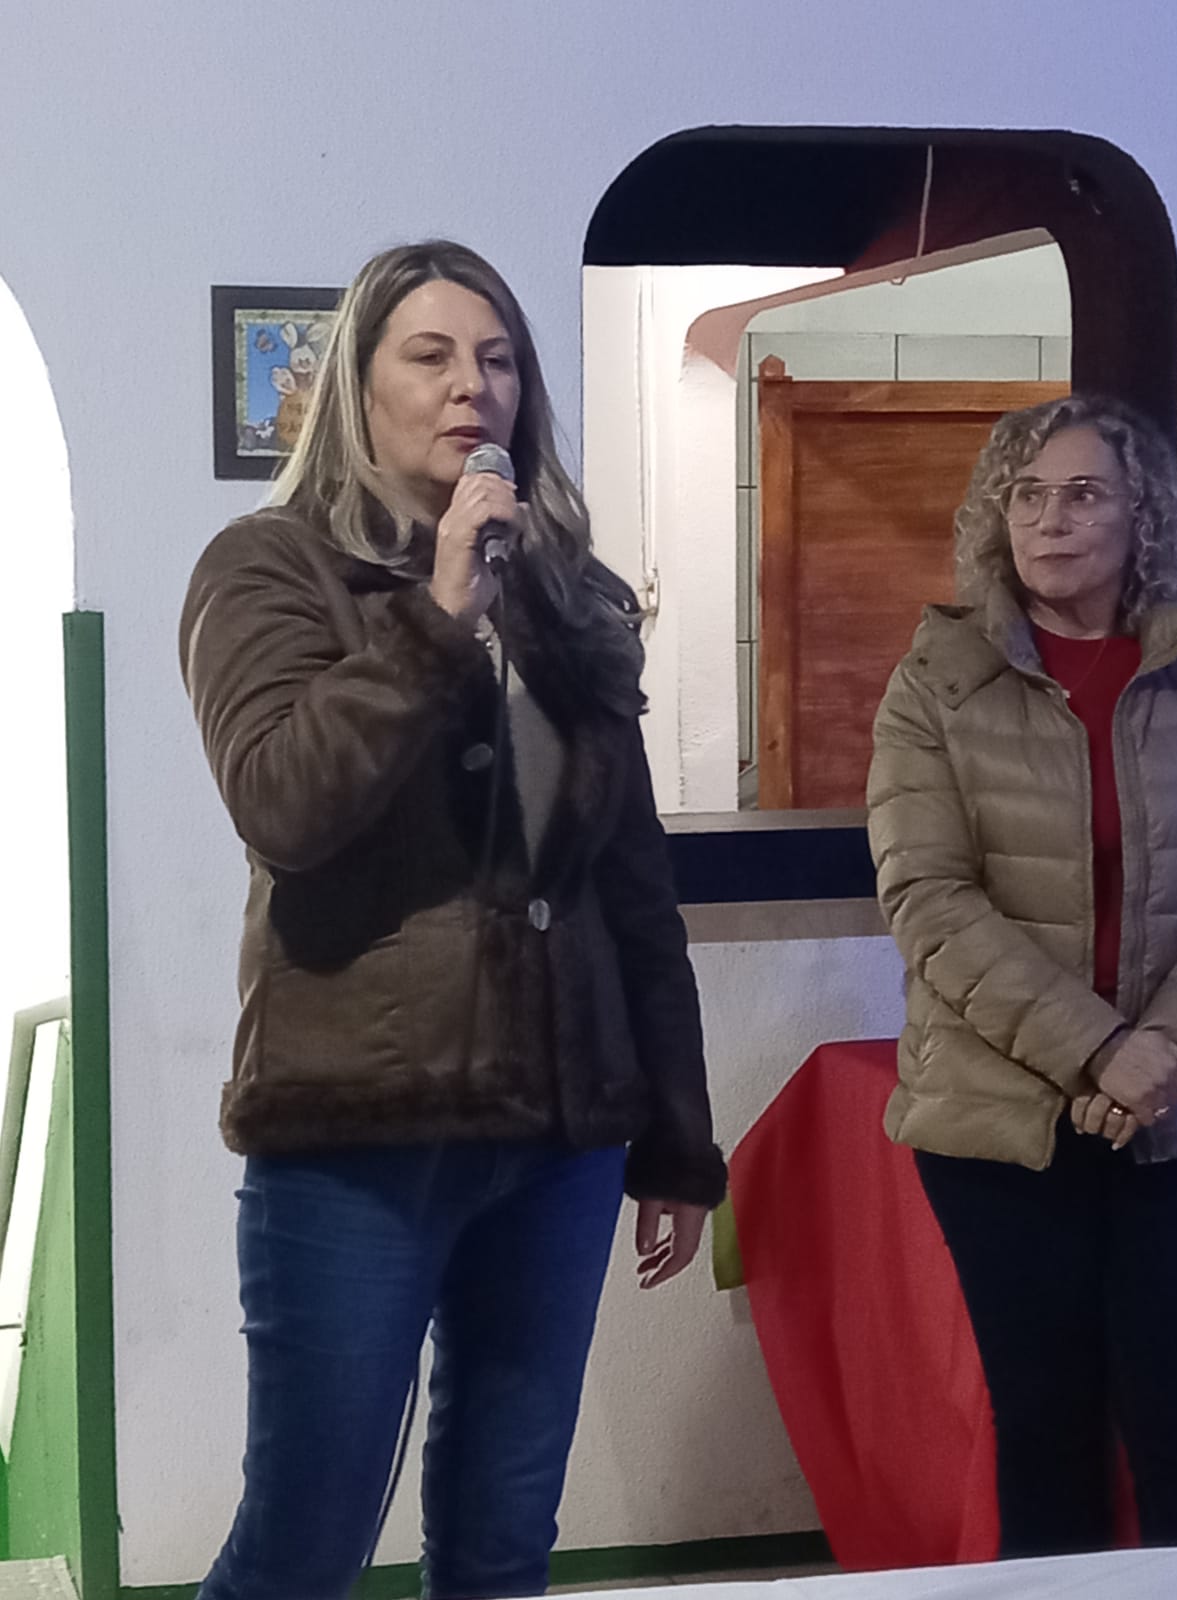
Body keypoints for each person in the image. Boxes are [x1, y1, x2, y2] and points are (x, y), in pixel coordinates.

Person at [180, 239, 726, 1600]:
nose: (471, 385)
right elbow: (285, 804)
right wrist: (434, 614)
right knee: (302, 1548)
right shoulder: (268, 570)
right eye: (428, 356)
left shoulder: (570, 596)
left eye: (498, 359)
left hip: (559, 1143)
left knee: (501, 1546)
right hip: (357, 1137)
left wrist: (676, 1135)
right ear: (357, 390)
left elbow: (633, 889)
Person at [866, 393, 1177, 1560]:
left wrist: (1162, 1053)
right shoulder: (935, 678)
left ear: (1142, 515)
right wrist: (1101, 1050)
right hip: (1003, 1123)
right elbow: (927, 899)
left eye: (1084, 493)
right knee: (1048, 1437)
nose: (1050, 520)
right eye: (1028, 495)